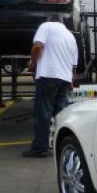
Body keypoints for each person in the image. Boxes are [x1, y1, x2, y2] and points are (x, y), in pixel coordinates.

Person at [22, 15, 78, 158]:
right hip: (65, 79)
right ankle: (64, 146)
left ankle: (39, 148)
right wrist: (71, 81)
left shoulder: (46, 26)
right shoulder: (70, 36)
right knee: (62, 115)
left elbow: (38, 46)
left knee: (42, 114)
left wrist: (32, 64)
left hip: (48, 75)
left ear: (50, 20)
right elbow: (74, 66)